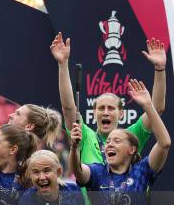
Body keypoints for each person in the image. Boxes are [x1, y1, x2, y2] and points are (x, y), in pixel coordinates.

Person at [70, 80, 170, 205]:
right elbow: (78, 171)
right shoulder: (97, 172)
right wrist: (74, 148)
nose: (109, 144)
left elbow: (165, 144)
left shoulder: (142, 171)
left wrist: (148, 105)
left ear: (132, 149)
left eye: (116, 141)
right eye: (108, 142)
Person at [51, 33, 167, 164]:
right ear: (94, 113)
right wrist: (62, 64)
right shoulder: (85, 136)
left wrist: (160, 68)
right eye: (101, 108)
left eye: (111, 108)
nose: (105, 112)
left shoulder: (132, 136)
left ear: (121, 113)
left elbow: (156, 109)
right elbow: (68, 108)